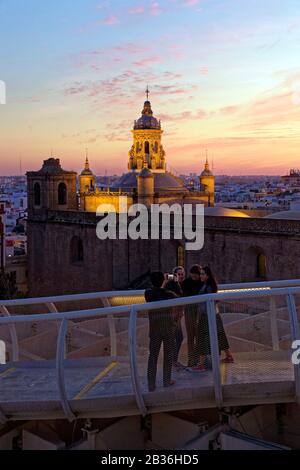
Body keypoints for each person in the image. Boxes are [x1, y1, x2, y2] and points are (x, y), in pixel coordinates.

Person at [192, 266, 234, 372]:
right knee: (219, 335)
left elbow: (212, 299)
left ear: (208, 275)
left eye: (203, 274)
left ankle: (201, 364)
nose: (201, 276)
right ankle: (229, 356)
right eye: (200, 274)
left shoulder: (209, 287)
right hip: (213, 314)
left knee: (202, 337)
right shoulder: (208, 285)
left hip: (208, 315)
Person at [145, 271, 177, 392]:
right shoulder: (168, 294)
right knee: (168, 355)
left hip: (154, 328)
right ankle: (166, 381)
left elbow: (153, 291)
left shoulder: (148, 294)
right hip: (168, 327)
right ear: (163, 281)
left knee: (152, 356)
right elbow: (179, 297)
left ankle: (151, 384)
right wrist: (173, 282)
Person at [181, 265, 204, 367]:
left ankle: (199, 360)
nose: (194, 278)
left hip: (199, 311)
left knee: (198, 336)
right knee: (191, 336)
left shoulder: (202, 283)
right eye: (192, 276)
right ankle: (191, 360)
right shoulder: (186, 282)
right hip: (190, 311)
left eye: (195, 276)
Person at [165, 267, 185, 370]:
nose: (181, 276)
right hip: (172, 316)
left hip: (177, 316)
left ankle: (173, 361)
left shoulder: (181, 285)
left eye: (182, 274)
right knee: (176, 338)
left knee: (177, 338)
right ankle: (173, 361)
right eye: (179, 274)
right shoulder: (171, 285)